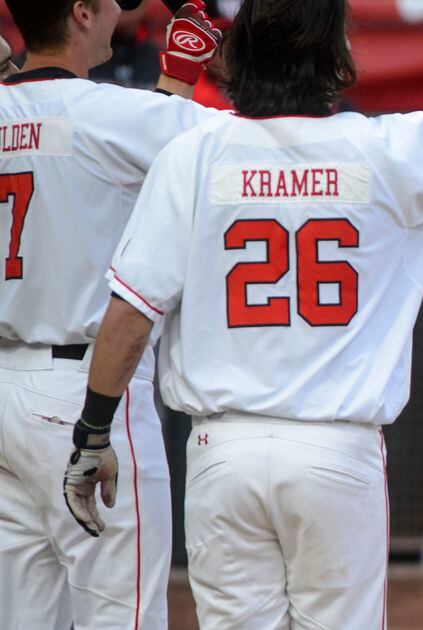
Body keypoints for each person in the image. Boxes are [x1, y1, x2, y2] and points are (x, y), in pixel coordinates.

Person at [60, 0, 423, 626]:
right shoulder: (391, 147)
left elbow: (132, 311)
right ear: (338, 56)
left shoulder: (194, 151)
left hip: (222, 449)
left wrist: (93, 432)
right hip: (335, 450)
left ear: (238, 54)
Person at [0, 0, 220, 627]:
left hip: (6, 390)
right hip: (87, 395)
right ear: (82, 13)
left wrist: (173, 84)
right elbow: (238, 144)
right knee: (123, 617)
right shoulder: (112, 111)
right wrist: (184, 75)